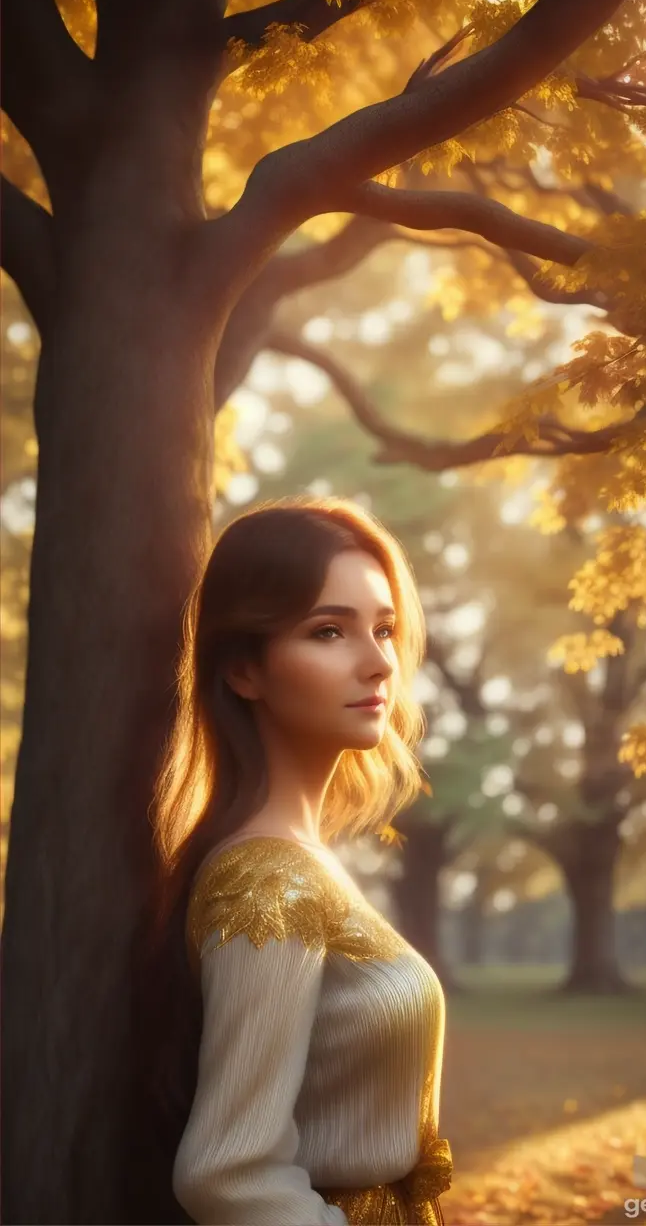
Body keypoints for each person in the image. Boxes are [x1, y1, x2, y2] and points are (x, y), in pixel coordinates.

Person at [149, 496, 453, 1225]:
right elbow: (230, 1172)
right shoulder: (267, 881)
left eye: (384, 628)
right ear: (244, 670)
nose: (379, 661)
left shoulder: (307, 864)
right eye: (328, 631)